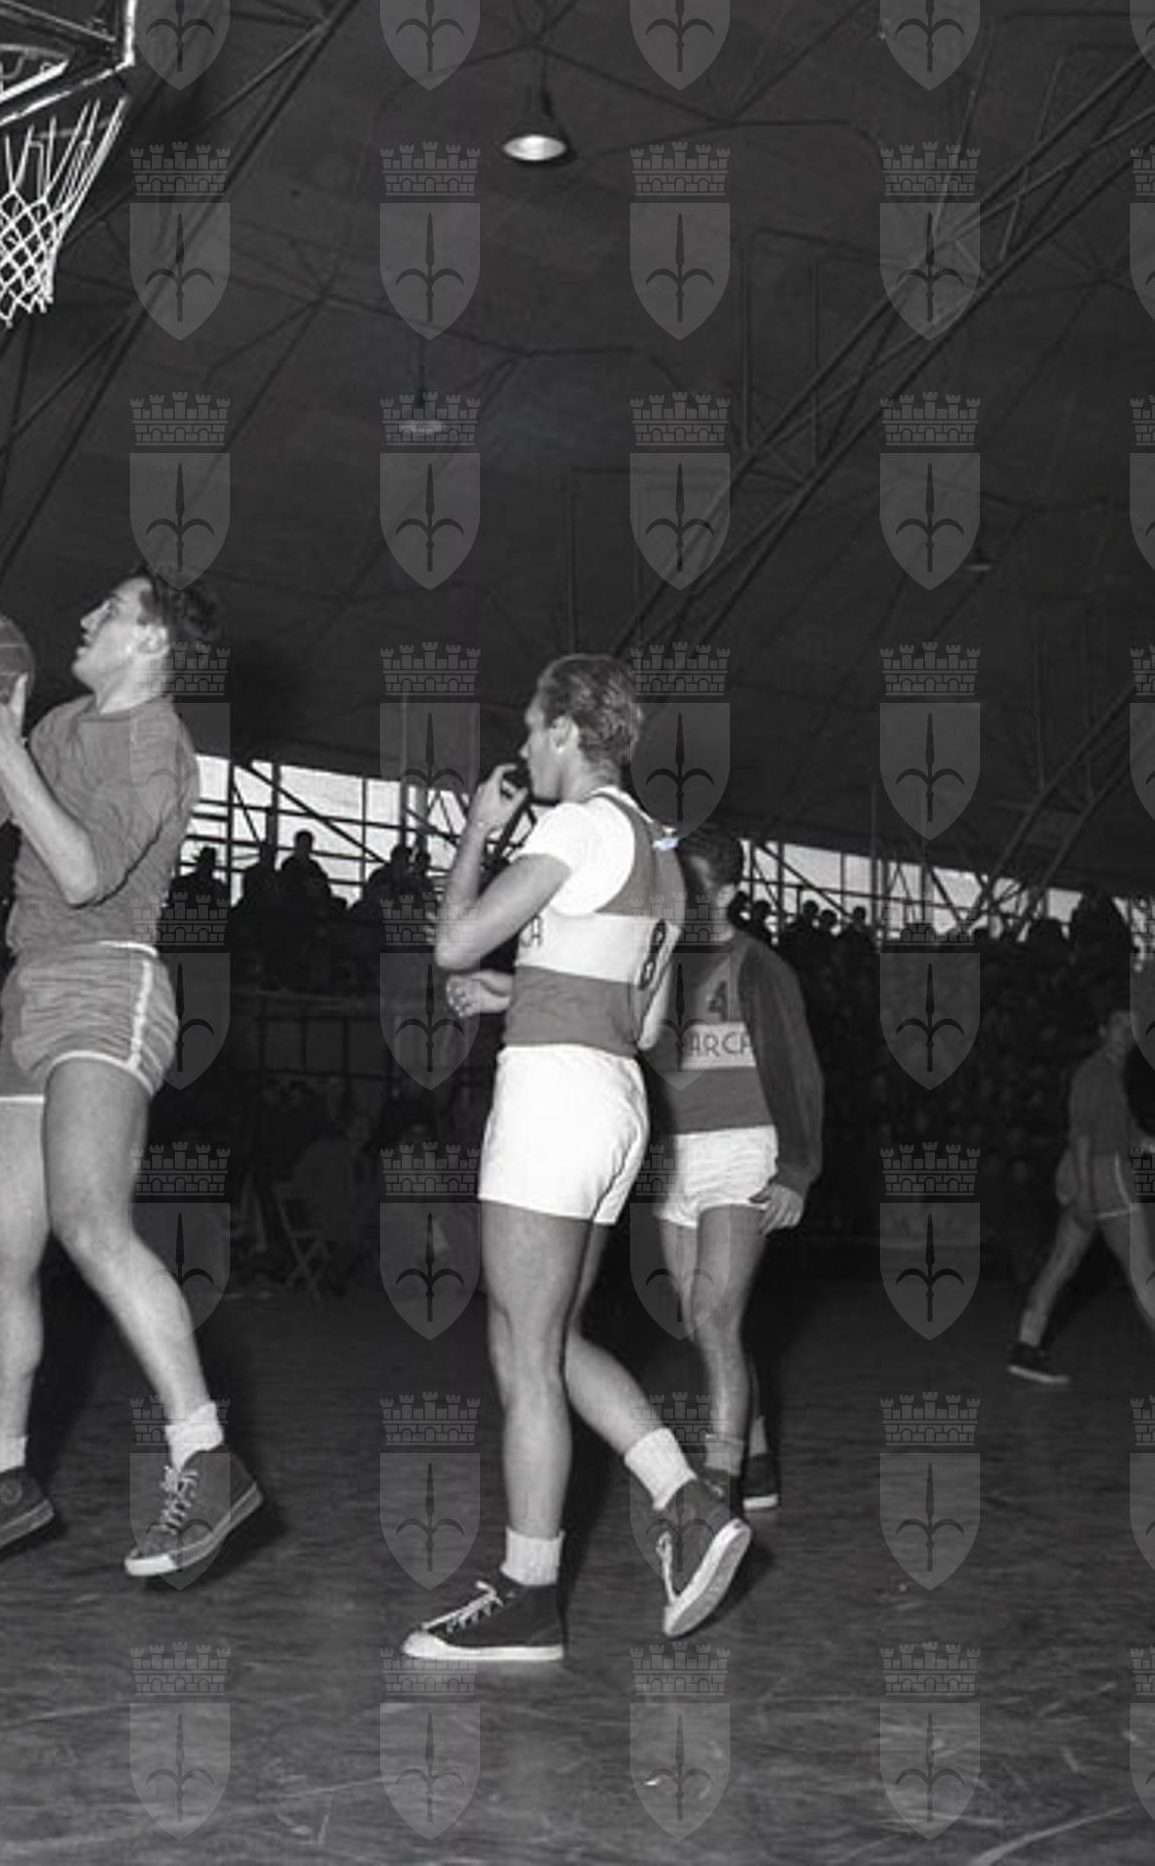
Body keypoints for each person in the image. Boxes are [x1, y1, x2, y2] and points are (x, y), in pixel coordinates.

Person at [0, 573, 263, 1589]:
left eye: (107, 610)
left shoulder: (155, 744)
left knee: (88, 1219)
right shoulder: (62, 720)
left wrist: (7, 745)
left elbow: (80, 873)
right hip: (34, 989)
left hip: (111, 983)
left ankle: (205, 1452)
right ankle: (1, 1477)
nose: (82, 617)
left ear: (152, 643)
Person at [401, 655, 748, 1664]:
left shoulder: (571, 825)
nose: (521, 746)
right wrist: (516, 993)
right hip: (613, 1102)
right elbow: (640, 1023)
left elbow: (454, 940)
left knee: (522, 1349)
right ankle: (684, 1502)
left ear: (564, 730)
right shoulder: (660, 858)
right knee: (546, 1341)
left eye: (528, 727)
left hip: (552, 1097)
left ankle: (529, 1592)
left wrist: (477, 831)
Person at [648, 824, 823, 1514]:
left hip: (742, 1151)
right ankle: (757, 1459)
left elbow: (800, 1071)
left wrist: (796, 1169)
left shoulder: (759, 967)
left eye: (692, 887)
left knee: (715, 1322)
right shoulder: (659, 963)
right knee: (703, 1326)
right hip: (675, 1160)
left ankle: (717, 1492)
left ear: (725, 894)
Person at [1008, 994, 1155, 1388]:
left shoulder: (1114, 1076)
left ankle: (1026, 1349)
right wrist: (1085, 1192)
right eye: (1118, 1025)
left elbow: (1135, 1138)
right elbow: (1080, 1134)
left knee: (1062, 1262)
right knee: (1141, 1269)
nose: (1126, 1033)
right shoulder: (1095, 1073)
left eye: (1133, 1028)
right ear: (1102, 1031)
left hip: (1090, 1173)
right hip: (1105, 1175)